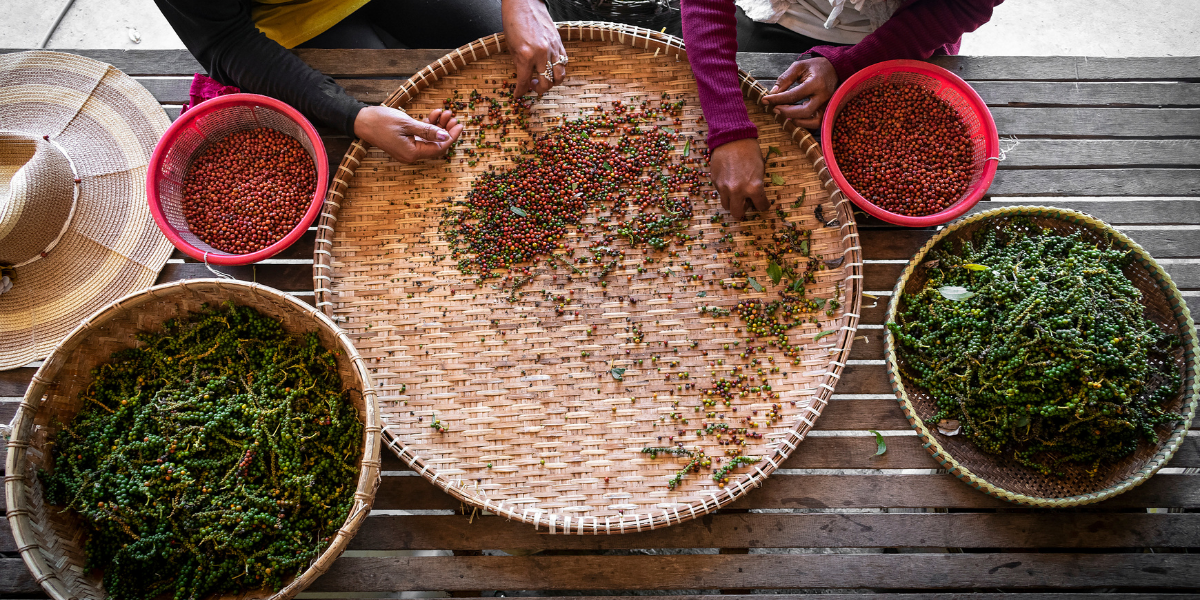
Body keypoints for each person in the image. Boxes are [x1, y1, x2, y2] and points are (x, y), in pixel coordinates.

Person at [682, 0, 1003, 219]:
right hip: (786, 13)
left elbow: (961, 5)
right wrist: (728, 125)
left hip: (899, 33)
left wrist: (849, 66)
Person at [155, 0, 568, 164]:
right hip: (285, 20)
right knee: (386, 151)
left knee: (520, 56)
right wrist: (355, 116)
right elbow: (225, 41)